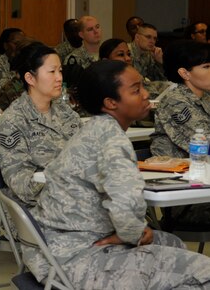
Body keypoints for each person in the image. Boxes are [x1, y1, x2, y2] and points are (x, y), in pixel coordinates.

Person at [25, 60, 210, 288]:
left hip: (53, 250)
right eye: (135, 90)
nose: (145, 95)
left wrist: (132, 232)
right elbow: (125, 211)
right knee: (204, 273)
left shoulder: (94, 129)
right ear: (111, 103)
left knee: (169, 242)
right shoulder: (112, 142)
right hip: (80, 259)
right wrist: (132, 234)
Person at [0, 42, 80, 206]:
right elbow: (20, 183)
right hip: (40, 209)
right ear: (30, 78)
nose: (59, 78)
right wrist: (70, 188)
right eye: (52, 72)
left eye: (60, 71)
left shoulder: (66, 113)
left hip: (77, 201)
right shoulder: (13, 121)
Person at [150, 39, 210, 230]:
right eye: (207, 66)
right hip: (187, 197)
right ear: (184, 73)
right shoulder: (175, 102)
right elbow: (205, 143)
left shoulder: (206, 96)